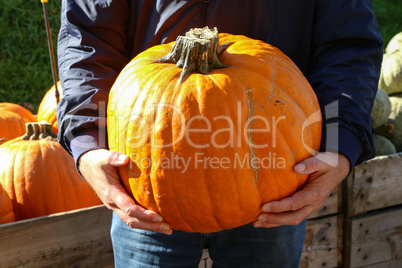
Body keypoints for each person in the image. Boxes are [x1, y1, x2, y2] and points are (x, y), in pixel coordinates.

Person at [56, 1, 383, 267]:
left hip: (273, 184)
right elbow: (87, 37)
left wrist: (340, 143)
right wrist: (87, 141)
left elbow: (347, 46)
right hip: (147, 181)